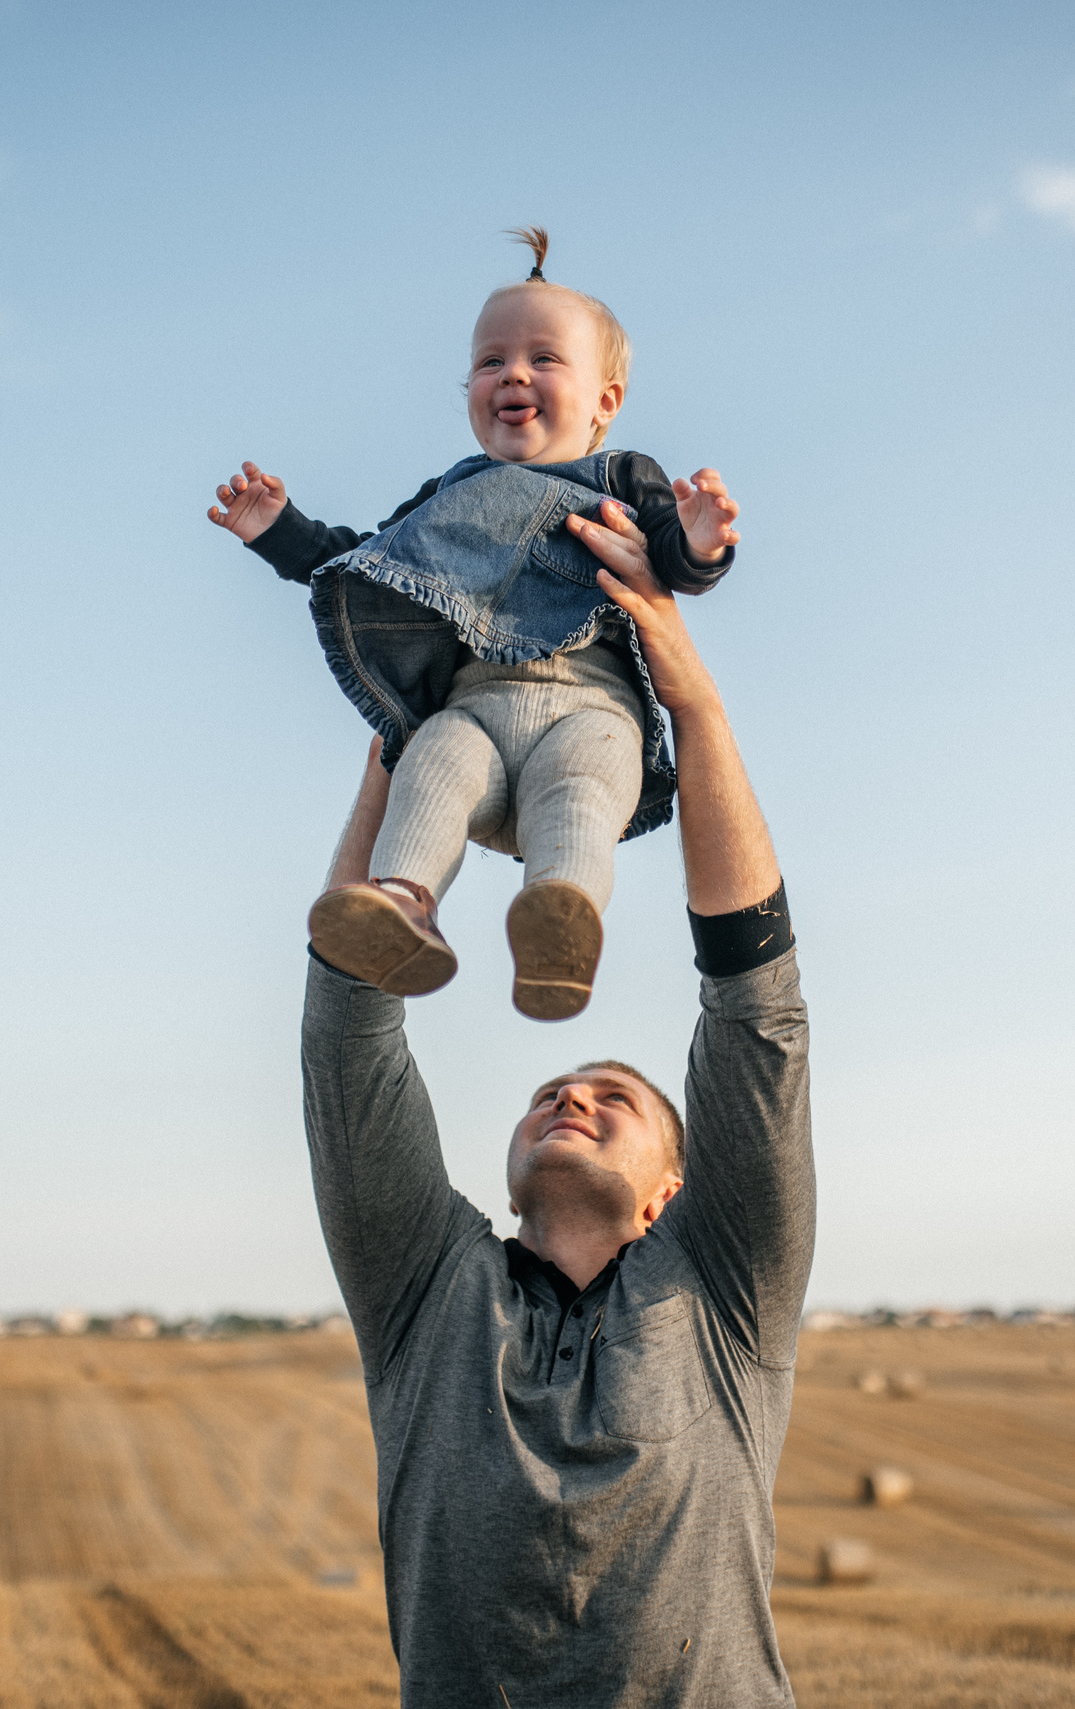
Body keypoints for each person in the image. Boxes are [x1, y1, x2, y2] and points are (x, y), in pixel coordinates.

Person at [301, 496, 811, 1709]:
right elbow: (346, 1031)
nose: (570, 1092)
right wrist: (395, 743)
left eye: (609, 1095)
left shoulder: (726, 1287)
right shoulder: (425, 1289)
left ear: (672, 1189)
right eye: (551, 1087)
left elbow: (756, 1015)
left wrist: (694, 707)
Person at [208, 227, 742, 1021]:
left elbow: (671, 561)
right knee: (433, 756)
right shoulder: (451, 494)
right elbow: (370, 558)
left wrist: (699, 538)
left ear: (605, 401)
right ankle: (402, 902)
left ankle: (560, 917)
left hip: (590, 707)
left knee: (582, 788)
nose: (512, 374)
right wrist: (280, 530)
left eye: (543, 358)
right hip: (476, 710)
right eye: (490, 361)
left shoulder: (623, 477)